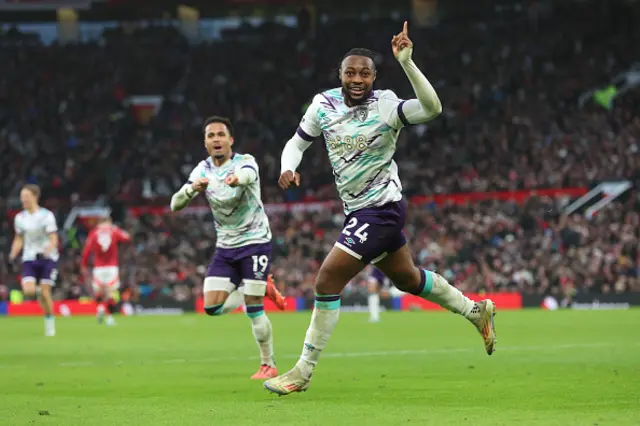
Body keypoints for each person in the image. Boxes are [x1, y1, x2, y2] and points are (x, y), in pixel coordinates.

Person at [264, 22, 497, 395]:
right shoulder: (323, 105)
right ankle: (474, 310)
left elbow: (432, 109)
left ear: (374, 76)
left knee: (326, 281)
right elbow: (297, 142)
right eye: (350, 72)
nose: (357, 79)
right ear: (339, 74)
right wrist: (287, 167)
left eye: (365, 73)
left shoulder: (385, 104)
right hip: (357, 211)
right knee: (407, 279)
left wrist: (407, 62)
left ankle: (302, 372)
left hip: (381, 210)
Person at [170, 115, 286, 380]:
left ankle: (268, 364)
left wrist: (239, 179)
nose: (217, 139)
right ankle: (259, 286)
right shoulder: (202, 170)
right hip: (226, 246)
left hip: (255, 241)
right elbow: (174, 204)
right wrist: (191, 190)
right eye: (211, 136)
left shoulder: (245, 162)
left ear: (230, 140)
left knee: (254, 307)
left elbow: (249, 175)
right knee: (212, 307)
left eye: (221, 134)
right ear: (206, 143)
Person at [7, 185, 59, 337]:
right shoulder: (20, 218)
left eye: (26, 196)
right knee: (28, 290)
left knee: (45, 291)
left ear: (35, 196)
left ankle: (50, 323)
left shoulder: (46, 215)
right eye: (22, 196)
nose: (23, 199)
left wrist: (50, 248)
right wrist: (12, 254)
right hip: (29, 257)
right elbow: (19, 238)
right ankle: (40, 294)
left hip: (47, 258)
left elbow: (54, 237)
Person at [81, 216, 132, 326]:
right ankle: (109, 317)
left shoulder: (93, 233)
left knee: (100, 292)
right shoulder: (113, 230)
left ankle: (100, 308)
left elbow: (86, 251)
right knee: (110, 293)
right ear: (109, 222)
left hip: (98, 268)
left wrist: (84, 265)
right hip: (111, 267)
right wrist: (116, 228)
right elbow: (127, 237)